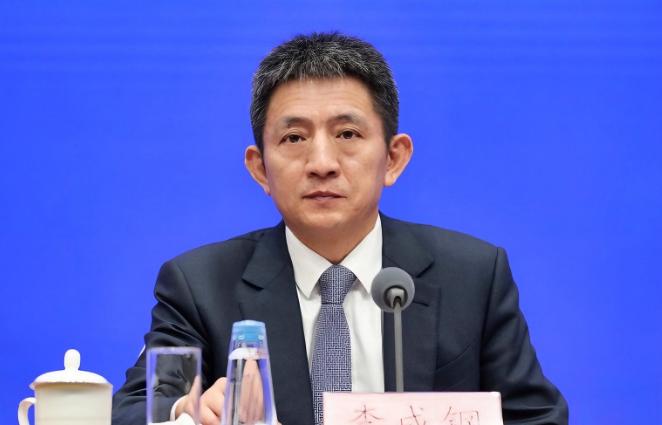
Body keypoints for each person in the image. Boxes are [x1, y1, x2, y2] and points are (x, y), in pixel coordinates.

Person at [112, 32, 569, 425]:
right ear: (260, 169)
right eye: (294, 138)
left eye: (347, 134)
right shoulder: (201, 285)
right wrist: (187, 412)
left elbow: (536, 417)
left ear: (393, 158)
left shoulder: (471, 275)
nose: (322, 163)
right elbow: (132, 408)